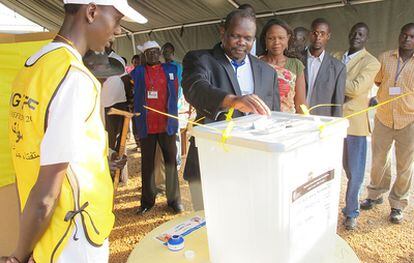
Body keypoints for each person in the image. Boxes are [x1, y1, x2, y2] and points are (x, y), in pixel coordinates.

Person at [2, 1, 144, 263]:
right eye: (117, 20)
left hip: (44, 232)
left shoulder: (35, 64)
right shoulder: (74, 77)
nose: (118, 31)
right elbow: (47, 192)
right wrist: (19, 256)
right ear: (91, 12)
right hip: (74, 233)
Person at [182, 9, 280, 211]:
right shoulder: (201, 60)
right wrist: (233, 100)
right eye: (236, 35)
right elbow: (195, 89)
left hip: (252, 164)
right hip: (211, 161)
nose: (241, 42)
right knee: (208, 223)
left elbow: (273, 115)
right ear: (222, 32)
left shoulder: (267, 72)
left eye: (248, 38)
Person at [360, 23, 414, 224]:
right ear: (399, 36)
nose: (407, 39)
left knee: (405, 166)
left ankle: (398, 204)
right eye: (404, 35)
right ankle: (375, 195)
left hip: (409, 120)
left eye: (411, 36)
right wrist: (381, 96)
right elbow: (378, 81)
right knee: (379, 160)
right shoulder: (384, 57)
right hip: (383, 116)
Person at [333, 23, 381, 230]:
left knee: (355, 173)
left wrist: (332, 81)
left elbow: (355, 89)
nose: (356, 36)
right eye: (353, 32)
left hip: (355, 125)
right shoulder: (336, 55)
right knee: (331, 168)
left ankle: (351, 212)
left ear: (366, 38)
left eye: (361, 34)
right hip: (332, 121)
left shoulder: (371, 62)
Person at [130, 40, 183, 215]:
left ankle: (174, 200)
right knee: (147, 164)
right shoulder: (138, 72)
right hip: (147, 124)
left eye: (155, 52)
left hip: (166, 123)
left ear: (159, 53)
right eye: (148, 53)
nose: (152, 55)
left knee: (170, 162)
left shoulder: (171, 70)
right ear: (144, 56)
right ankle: (147, 201)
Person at [259, 18, 306, 113]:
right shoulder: (256, 63)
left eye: (281, 38)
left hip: (287, 121)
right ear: (265, 40)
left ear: (288, 38)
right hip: (261, 120)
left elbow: (300, 104)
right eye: (271, 38)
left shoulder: (296, 65)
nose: (276, 42)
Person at [304, 18, 346, 117]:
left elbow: (337, 104)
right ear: (310, 35)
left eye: (322, 34)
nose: (318, 37)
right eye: (315, 33)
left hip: (321, 121)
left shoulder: (338, 68)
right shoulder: (296, 60)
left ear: (328, 36)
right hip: (295, 118)